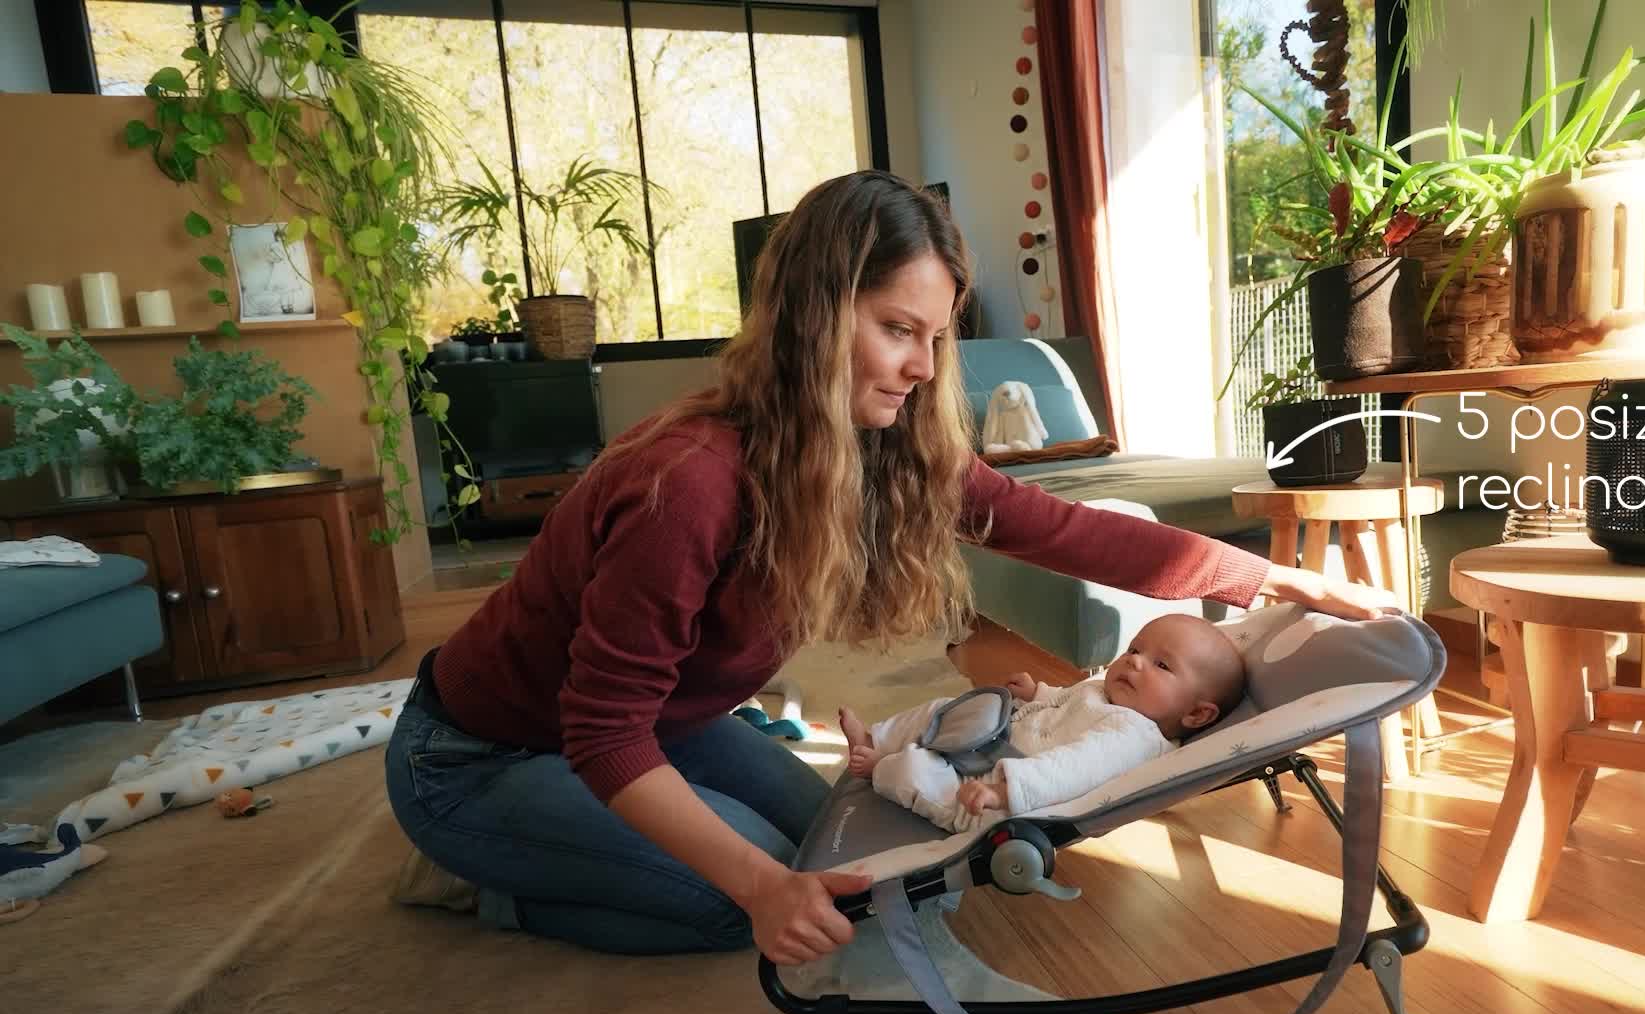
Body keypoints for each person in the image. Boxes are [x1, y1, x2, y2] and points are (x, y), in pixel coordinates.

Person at [383, 170, 1395, 969]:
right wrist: (759, 889)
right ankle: (492, 883)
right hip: (481, 755)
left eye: (935, 338)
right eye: (897, 329)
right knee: (746, 899)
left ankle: (593, 851)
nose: (922, 367)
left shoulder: (883, 449)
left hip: (664, 725)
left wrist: (1279, 583)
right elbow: (602, 732)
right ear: (812, 318)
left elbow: (1061, 529)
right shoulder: (685, 483)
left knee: (849, 852)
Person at [838, 614, 1245, 832]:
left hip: (991, 794)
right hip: (997, 737)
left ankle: (881, 768)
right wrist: (1038, 693)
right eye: (1135, 649)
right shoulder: (1108, 692)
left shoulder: (1134, 738)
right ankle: (875, 738)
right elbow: (1071, 700)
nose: (1135, 661)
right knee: (945, 708)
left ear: (1196, 714)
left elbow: (1071, 770)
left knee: (916, 770)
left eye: (1162, 665)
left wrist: (1003, 792)